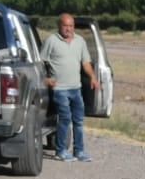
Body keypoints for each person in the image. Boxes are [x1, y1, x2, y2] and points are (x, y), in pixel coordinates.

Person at [41, 13, 101, 162]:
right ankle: (61, 151)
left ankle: (79, 151)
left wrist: (93, 77)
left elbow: (85, 63)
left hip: (76, 89)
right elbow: (40, 62)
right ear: (59, 26)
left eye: (71, 26)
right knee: (65, 118)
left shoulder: (80, 41)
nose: (68, 29)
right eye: (65, 26)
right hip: (59, 89)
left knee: (79, 121)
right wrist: (45, 80)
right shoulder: (51, 40)